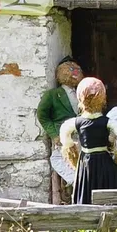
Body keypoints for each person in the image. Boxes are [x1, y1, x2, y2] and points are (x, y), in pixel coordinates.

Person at [60, 77, 117, 204]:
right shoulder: (107, 122)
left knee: (86, 193)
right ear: (102, 98)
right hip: (105, 163)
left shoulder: (76, 122)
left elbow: (64, 131)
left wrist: (69, 148)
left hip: (86, 163)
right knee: (109, 196)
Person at [36, 57, 82, 198]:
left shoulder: (81, 92)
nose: (74, 72)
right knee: (58, 158)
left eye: (76, 70)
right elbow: (42, 115)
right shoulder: (53, 95)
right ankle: (73, 180)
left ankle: (81, 181)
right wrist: (54, 134)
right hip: (63, 135)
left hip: (80, 134)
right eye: (71, 70)